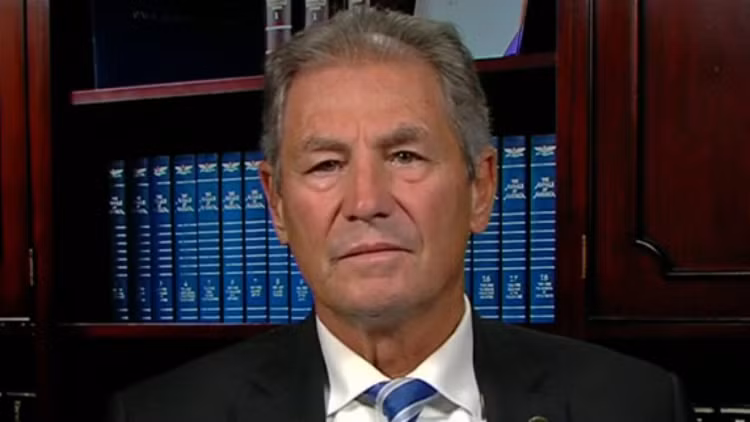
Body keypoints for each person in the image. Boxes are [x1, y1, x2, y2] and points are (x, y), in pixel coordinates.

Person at [109, 7, 693, 422]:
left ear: (481, 188)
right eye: (326, 164)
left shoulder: (635, 405)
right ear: (277, 205)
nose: (367, 203)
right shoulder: (159, 413)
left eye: (405, 156)